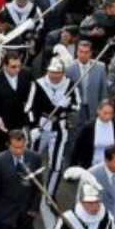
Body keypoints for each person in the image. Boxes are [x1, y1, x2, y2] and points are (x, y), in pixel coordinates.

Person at [26, 57, 80, 198]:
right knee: (32, 161)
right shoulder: (38, 84)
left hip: (59, 129)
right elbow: (29, 108)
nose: (55, 76)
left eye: (58, 73)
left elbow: (77, 105)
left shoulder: (70, 85)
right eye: (52, 72)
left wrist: (67, 106)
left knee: (56, 164)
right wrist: (33, 127)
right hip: (41, 127)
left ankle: (50, 194)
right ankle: (29, 191)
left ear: (63, 73)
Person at [0, 53, 33, 154]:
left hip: (21, 119)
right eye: (13, 67)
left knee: (20, 148)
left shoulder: (26, 74)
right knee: (2, 149)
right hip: (3, 121)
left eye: (19, 66)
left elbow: (32, 94)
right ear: (4, 66)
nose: (17, 70)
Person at [70, 100, 115, 169]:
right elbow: (77, 149)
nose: (108, 116)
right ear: (98, 111)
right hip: (91, 166)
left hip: (112, 167)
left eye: (110, 113)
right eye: (105, 113)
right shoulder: (88, 128)